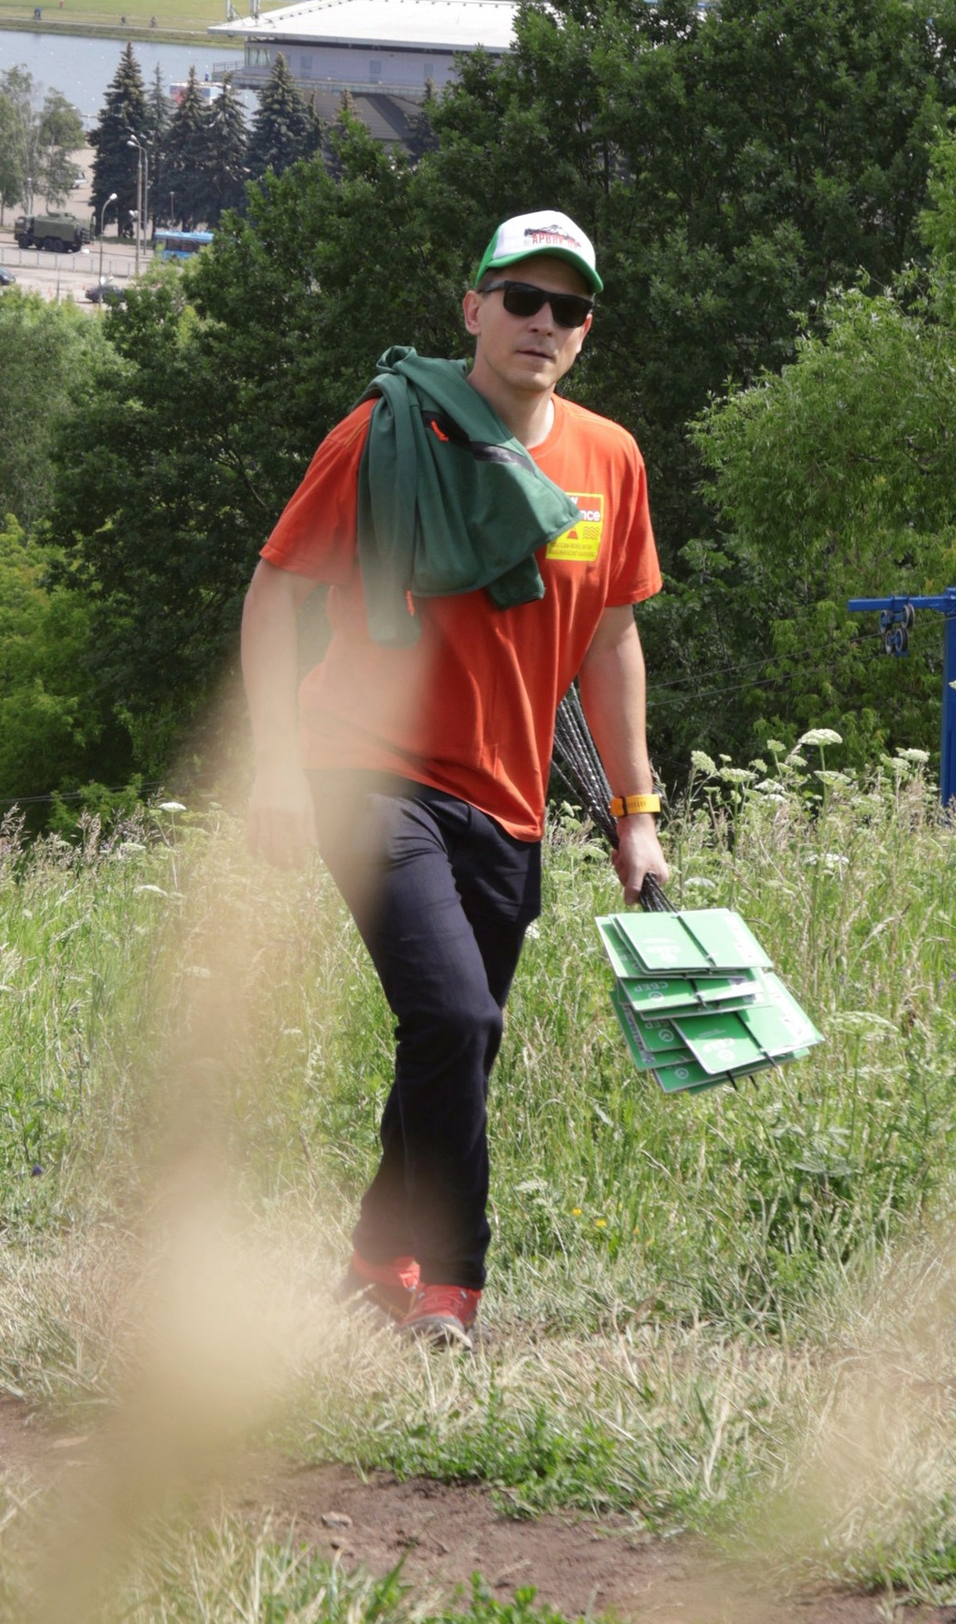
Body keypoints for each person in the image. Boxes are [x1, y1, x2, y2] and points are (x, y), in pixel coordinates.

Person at [240, 212, 665, 1350]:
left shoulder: (607, 459)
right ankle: (451, 1288)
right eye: (519, 298)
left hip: (511, 805)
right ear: (471, 307)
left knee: (453, 1039)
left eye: (565, 307)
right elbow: (277, 591)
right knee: (454, 1012)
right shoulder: (386, 434)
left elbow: (610, 643)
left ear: (585, 329)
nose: (541, 323)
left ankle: (378, 1256)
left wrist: (636, 812)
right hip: (366, 770)